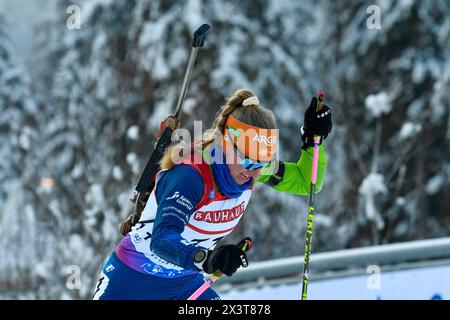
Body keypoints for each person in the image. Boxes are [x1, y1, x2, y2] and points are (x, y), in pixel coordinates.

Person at [92, 88, 332, 300]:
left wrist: (313, 143)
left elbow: (307, 182)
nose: (255, 173)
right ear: (226, 146)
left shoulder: (250, 167)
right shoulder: (190, 177)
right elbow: (163, 239)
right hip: (135, 281)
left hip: (185, 284)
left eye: (263, 163)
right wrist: (208, 259)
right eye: (249, 162)